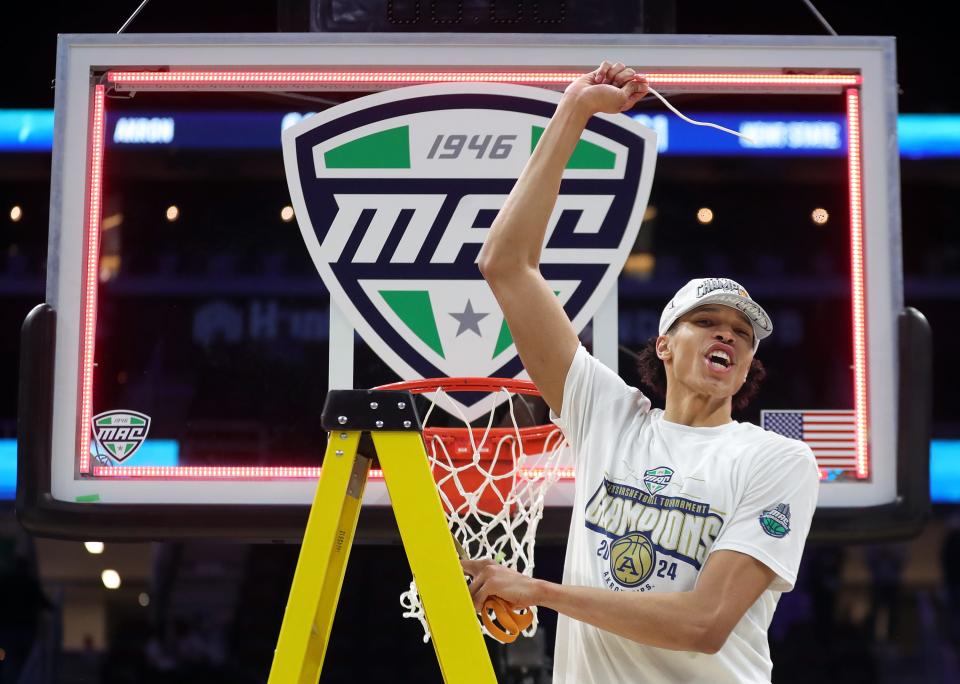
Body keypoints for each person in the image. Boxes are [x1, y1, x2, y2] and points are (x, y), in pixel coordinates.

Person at [461, 61, 821, 683]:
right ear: (664, 345)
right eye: (707, 322)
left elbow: (703, 626)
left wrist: (541, 592)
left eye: (741, 334)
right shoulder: (610, 416)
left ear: (746, 366)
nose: (726, 336)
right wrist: (574, 108)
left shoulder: (777, 460)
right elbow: (506, 265)